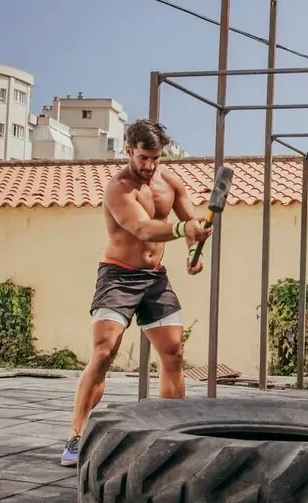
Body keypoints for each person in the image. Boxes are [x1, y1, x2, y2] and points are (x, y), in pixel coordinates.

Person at [60, 119, 212, 466]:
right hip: (118, 276)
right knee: (103, 353)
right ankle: (76, 436)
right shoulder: (119, 188)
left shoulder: (171, 182)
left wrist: (194, 251)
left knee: (173, 354)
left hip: (155, 278)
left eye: (156, 157)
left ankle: (172, 435)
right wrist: (182, 228)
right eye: (143, 157)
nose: (150, 165)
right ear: (129, 151)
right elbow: (142, 228)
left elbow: (194, 226)